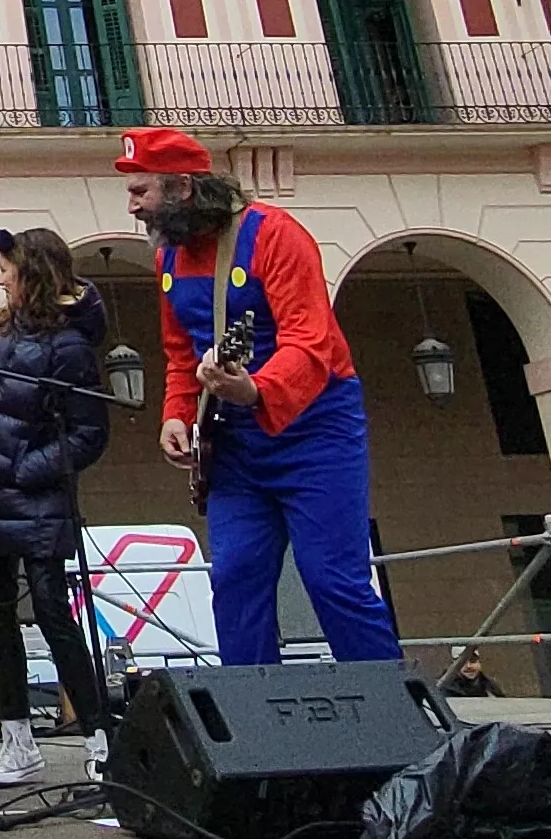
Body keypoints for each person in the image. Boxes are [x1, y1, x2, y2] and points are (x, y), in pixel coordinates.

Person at [118, 127, 402, 669]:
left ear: (181, 189)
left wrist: (258, 389)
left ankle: (397, 713)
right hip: (236, 443)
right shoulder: (168, 262)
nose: (133, 208)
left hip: (316, 432)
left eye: (141, 193)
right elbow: (182, 352)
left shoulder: (275, 234)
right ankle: (255, 719)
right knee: (234, 578)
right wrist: (176, 415)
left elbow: (311, 339)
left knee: (331, 580)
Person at [0, 227, 113, 790]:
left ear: (30, 272)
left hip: (33, 502)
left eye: (7, 268)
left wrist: (21, 469)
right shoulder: (9, 333)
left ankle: (99, 740)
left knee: (54, 616)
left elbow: (88, 434)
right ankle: (16, 741)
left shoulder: (70, 348)